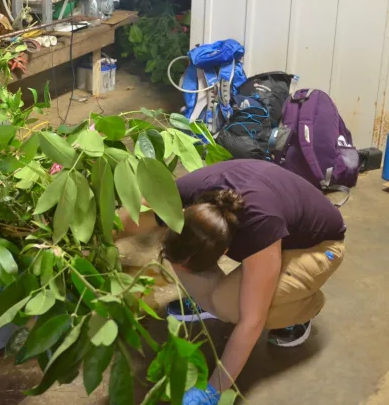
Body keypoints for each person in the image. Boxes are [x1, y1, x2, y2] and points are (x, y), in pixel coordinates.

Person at [119, 160, 346, 404]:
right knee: (189, 266)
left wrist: (214, 389)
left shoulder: (259, 228)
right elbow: (137, 215)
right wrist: (94, 240)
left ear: (226, 250)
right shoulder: (190, 192)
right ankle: (212, 300)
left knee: (235, 309)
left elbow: (252, 321)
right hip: (277, 225)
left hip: (317, 247)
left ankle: (306, 306)